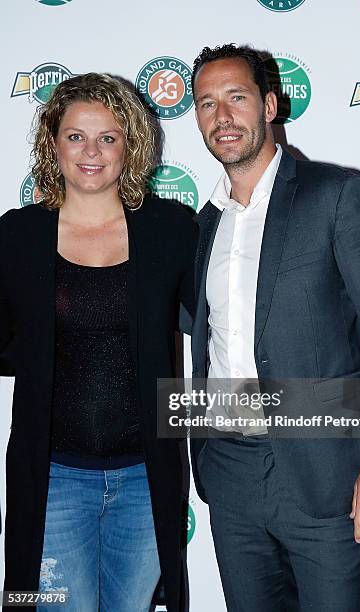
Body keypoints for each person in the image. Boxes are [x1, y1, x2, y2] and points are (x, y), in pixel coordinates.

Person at [190, 44, 360, 611]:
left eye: (236, 97)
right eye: (207, 103)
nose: (222, 116)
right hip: (229, 470)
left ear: (269, 106)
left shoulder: (336, 196)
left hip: (326, 471)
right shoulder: (203, 225)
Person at [0, 73, 197, 611]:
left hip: (145, 478)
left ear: (129, 145)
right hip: (52, 481)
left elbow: (220, 325)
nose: (91, 151)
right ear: (52, 143)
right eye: (75, 136)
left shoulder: (172, 229)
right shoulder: (17, 235)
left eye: (108, 137)